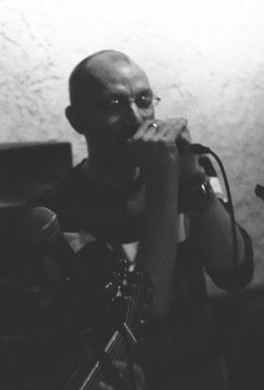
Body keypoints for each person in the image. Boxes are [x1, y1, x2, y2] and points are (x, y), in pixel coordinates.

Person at [33, 50, 253, 389]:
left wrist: (192, 179)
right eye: (114, 104)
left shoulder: (188, 173)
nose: (136, 117)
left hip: (207, 375)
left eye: (144, 100)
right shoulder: (62, 210)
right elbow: (145, 314)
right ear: (77, 119)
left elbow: (235, 272)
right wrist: (164, 185)